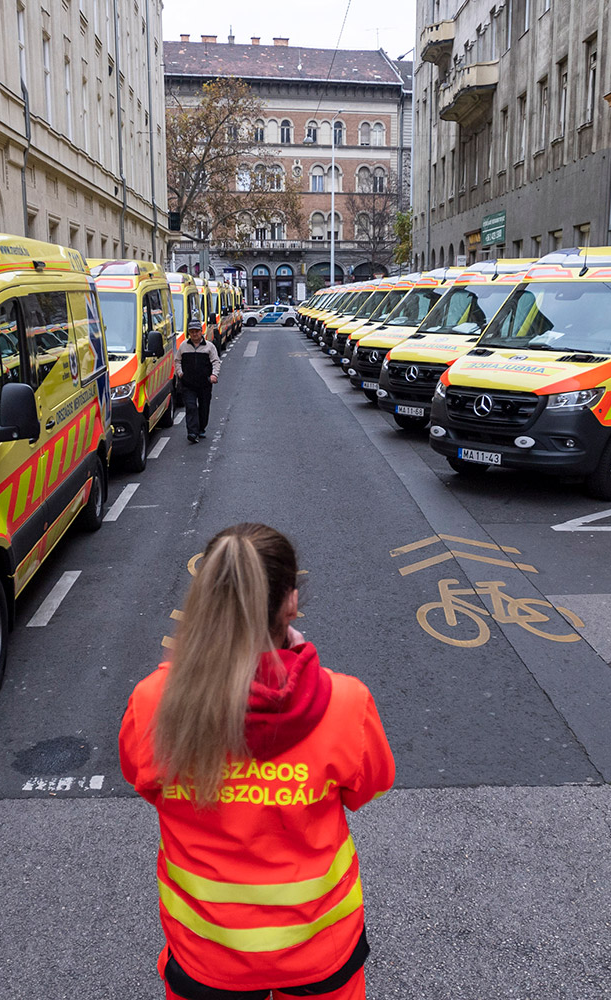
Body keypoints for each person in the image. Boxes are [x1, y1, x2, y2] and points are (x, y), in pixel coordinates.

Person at [119, 524, 394, 1000]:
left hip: (207, 952)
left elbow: (146, 784)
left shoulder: (153, 703)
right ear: (290, 602)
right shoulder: (347, 703)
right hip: (319, 946)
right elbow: (368, 788)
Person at [177, 314, 222, 443]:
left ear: (201, 332)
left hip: (204, 383)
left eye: (197, 331)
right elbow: (177, 361)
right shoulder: (183, 346)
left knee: (204, 407)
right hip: (188, 384)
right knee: (190, 406)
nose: (194, 334)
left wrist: (214, 375)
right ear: (189, 333)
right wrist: (180, 373)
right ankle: (192, 432)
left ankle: (201, 428)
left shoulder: (209, 346)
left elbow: (216, 361)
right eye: (192, 332)